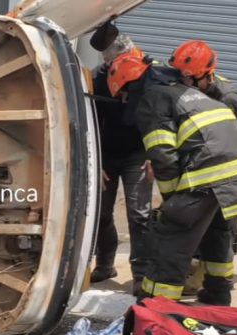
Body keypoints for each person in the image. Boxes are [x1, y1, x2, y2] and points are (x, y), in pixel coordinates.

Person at [107, 54, 237, 305]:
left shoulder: (151, 100)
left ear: (130, 87)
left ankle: (157, 304)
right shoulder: (185, 93)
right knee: (217, 233)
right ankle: (218, 293)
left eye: (123, 95)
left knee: (171, 237)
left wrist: (172, 201)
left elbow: (163, 155)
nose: (123, 101)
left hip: (208, 171)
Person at [169, 40, 237, 295]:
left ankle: (207, 280)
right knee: (211, 224)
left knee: (223, 226)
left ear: (208, 74)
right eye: (182, 77)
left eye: (190, 78)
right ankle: (205, 268)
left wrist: (235, 180)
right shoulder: (201, 91)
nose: (185, 83)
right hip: (220, 169)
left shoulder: (230, 99)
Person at [90, 35, 153, 296]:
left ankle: (141, 274)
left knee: (139, 214)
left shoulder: (148, 76)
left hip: (138, 154)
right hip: (107, 154)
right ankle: (105, 264)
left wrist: (153, 155)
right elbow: (92, 121)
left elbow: (158, 119)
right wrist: (96, 161)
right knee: (101, 213)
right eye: (109, 62)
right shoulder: (97, 78)